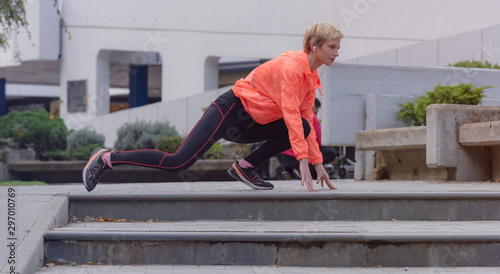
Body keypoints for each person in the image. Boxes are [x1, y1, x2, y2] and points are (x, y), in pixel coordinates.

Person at [83, 22, 343, 192]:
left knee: (305, 123)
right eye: (332, 47)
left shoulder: (311, 77)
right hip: (229, 111)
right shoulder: (292, 68)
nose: (336, 53)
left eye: (338, 48)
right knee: (177, 163)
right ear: (314, 46)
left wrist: (317, 161)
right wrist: (302, 160)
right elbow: (289, 114)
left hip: (251, 122)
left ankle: (247, 166)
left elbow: (303, 119)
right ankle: (106, 158)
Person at [277, 98, 338, 180]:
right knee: (331, 152)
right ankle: (302, 170)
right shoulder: (311, 116)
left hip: (282, 154)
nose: (316, 112)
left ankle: (289, 170)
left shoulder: (293, 114)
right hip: (298, 155)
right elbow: (318, 141)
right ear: (314, 107)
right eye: (317, 109)